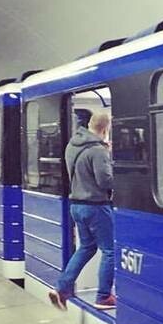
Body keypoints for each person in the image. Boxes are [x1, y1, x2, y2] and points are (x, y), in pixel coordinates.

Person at [49, 110, 116, 311]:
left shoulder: (72, 145)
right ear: (105, 128)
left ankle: (61, 289)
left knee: (86, 247)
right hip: (96, 206)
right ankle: (103, 297)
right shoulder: (98, 150)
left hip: (76, 205)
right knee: (110, 251)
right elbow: (104, 181)